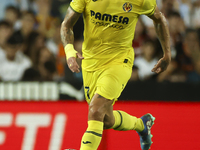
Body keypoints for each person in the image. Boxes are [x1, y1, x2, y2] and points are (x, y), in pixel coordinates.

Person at [61, 0, 171, 150]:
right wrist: (69, 52)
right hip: (90, 62)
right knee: (105, 119)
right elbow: (67, 24)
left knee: (95, 110)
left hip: (119, 62)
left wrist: (167, 54)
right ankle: (141, 124)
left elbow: (159, 19)